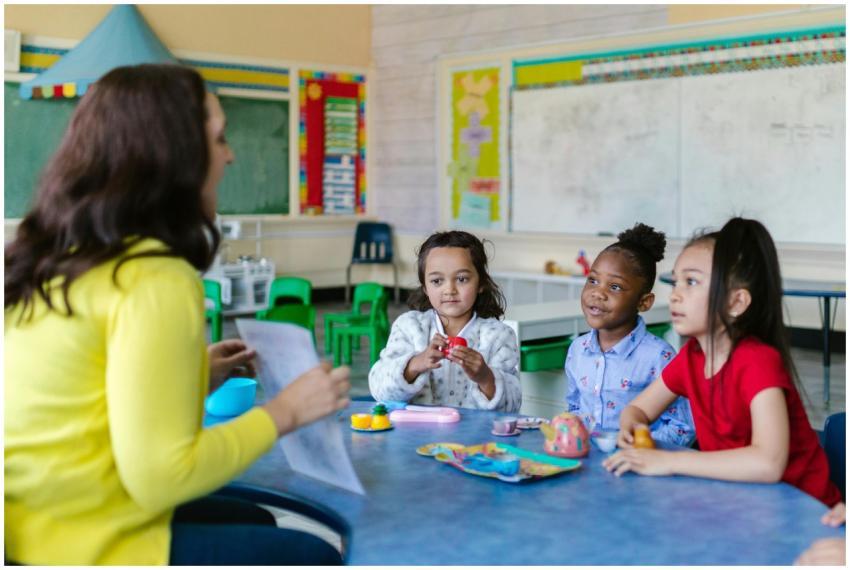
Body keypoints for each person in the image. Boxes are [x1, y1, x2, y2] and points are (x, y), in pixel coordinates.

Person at [4, 64, 351, 565]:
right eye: (220, 138)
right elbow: (162, 476)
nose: (230, 155)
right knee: (312, 554)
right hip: (82, 544)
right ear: (173, 155)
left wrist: (193, 374)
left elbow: (84, 403)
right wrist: (286, 411)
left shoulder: (65, 256)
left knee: (258, 520)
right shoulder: (156, 278)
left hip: (30, 524)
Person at [602, 218, 841, 507]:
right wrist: (633, 427)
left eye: (691, 282)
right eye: (676, 281)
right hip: (743, 503)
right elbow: (638, 408)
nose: (675, 294)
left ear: (736, 302)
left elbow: (768, 463)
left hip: (805, 513)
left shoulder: (757, 361)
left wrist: (669, 461)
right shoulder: (691, 358)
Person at [565, 223, 694, 446]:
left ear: (644, 302)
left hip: (637, 468)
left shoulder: (659, 357)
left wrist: (634, 445)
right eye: (593, 280)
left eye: (614, 287)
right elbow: (575, 408)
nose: (598, 293)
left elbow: (682, 429)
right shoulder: (577, 350)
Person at [369, 230, 521, 412]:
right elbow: (379, 390)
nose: (449, 289)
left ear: (481, 283)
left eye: (462, 279)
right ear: (424, 287)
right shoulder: (408, 327)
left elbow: (513, 406)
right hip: (416, 436)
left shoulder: (499, 336)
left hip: (475, 439)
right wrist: (414, 364)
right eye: (437, 281)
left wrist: (485, 378)